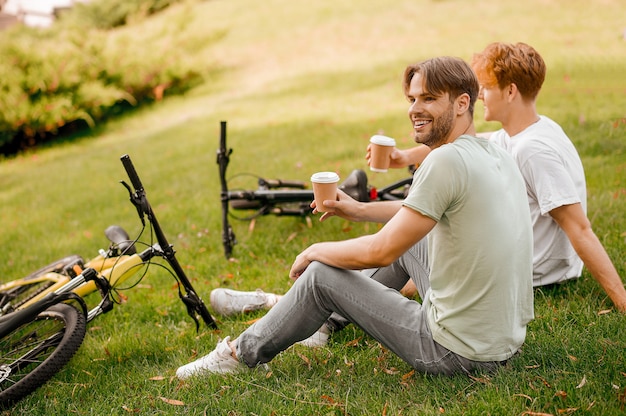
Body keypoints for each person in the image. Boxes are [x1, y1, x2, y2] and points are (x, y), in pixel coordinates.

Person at [176, 56, 534, 379]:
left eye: (428, 98)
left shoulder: (444, 161)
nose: (415, 108)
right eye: (412, 99)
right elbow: (424, 213)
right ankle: (320, 323)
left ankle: (239, 354)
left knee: (320, 276)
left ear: (462, 103)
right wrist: (358, 210)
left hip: (454, 352)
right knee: (412, 238)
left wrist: (316, 249)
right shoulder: (492, 150)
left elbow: (379, 252)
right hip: (502, 342)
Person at [362, 42, 626, 312]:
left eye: (486, 88)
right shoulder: (530, 130)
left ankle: (335, 299)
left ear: (510, 91)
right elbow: (479, 139)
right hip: (520, 261)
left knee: (413, 242)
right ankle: (344, 296)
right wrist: (405, 157)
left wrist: (622, 300)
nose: (480, 97)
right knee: (413, 253)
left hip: (531, 272)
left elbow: (579, 228)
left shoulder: (532, 151)